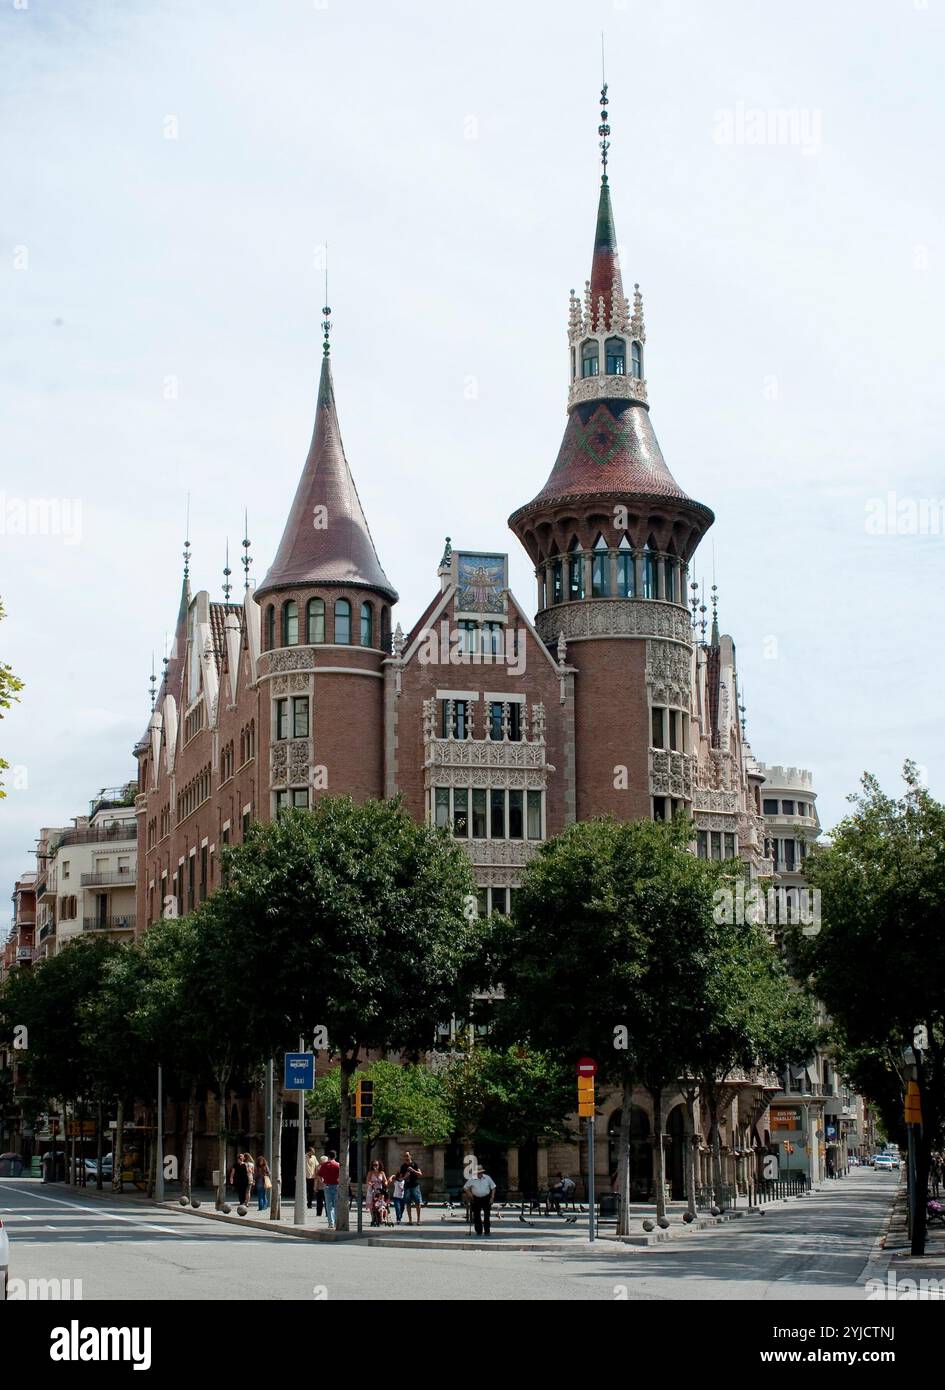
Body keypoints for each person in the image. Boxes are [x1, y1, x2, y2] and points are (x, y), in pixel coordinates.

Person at [463, 1165, 497, 1236]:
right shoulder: (472, 1179)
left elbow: (493, 1187)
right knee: (476, 1215)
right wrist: (470, 1194)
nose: (479, 1174)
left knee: (487, 1215)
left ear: (482, 1172)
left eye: (480, 1172)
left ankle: (487, 1231)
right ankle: (479, 1231)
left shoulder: (487, 1178)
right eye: (478, 1173)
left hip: (486, 1198)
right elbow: (465, 1187)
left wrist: (492, 1197)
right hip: (476, 1198)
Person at [398, 1152, 423, 1225]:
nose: (406, 1157)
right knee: (408, 1203)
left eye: (407, 1156)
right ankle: (410, 1220)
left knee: (417, 1202)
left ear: (410, 1156)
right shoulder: (403, 1166)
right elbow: (401, 1178)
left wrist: (413, 1170)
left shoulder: (415, 1164)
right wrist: (406, 1175)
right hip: (407, 1186)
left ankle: (418, 1220)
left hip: (415, 1186)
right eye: (405, 1156)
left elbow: (420, 1174)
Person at [318, 1150, 341, 1228]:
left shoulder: (324, 1165)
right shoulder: (338, 1165)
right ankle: (337, 1221)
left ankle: (331, 1223)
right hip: (336, 1186)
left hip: (327, 1185)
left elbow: (319, 1175)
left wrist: (322, 1182)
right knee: (336, 1205)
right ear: (335, 1156)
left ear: (328, 1156)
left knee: (329, 1205)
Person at [366, 1159, 389, 1228]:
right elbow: (367, 1181)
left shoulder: (382, 1173)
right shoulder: (370, 1172)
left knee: (380, 1204)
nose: (375, 1166)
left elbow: (385, 1181)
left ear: (379, 1165)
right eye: (374, 1165)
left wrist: (385, 1183)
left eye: (376, 1165)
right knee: (372, 1205)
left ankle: (380, 1218)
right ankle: (373, 1218)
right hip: (372, 1190)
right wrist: (371, 1183)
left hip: (380, 1191)